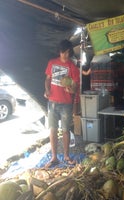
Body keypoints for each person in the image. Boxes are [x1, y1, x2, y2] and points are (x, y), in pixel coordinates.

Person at [44, 39, 80, 167]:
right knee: (53, 130)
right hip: (52, 102)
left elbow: (75, 86)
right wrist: (47, 90)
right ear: (59, 51)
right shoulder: (52, 63)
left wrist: (71, 89)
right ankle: (54, 157)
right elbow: (47, 79)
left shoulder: (73, 67)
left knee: (65, 130)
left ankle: (66, 156)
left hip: (66, 103)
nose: (65, 55)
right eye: (63, 52)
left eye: (68, 52)